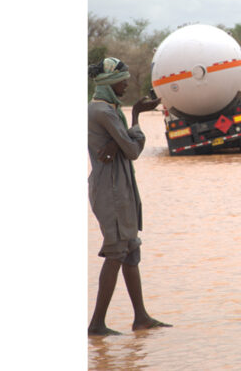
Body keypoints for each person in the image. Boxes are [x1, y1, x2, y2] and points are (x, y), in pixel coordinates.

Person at [87, 57, 171, 336]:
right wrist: (136, 116)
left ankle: (141, 317)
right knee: (116, 251)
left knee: (130, 248)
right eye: (122, 80)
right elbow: (133, 150)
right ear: (110, 83)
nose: (126, 84)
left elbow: (124, 146)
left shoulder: (105, 110)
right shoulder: (104, 112)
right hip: (111, 190)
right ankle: (97, 324)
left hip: (119, 187)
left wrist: (117, 142)